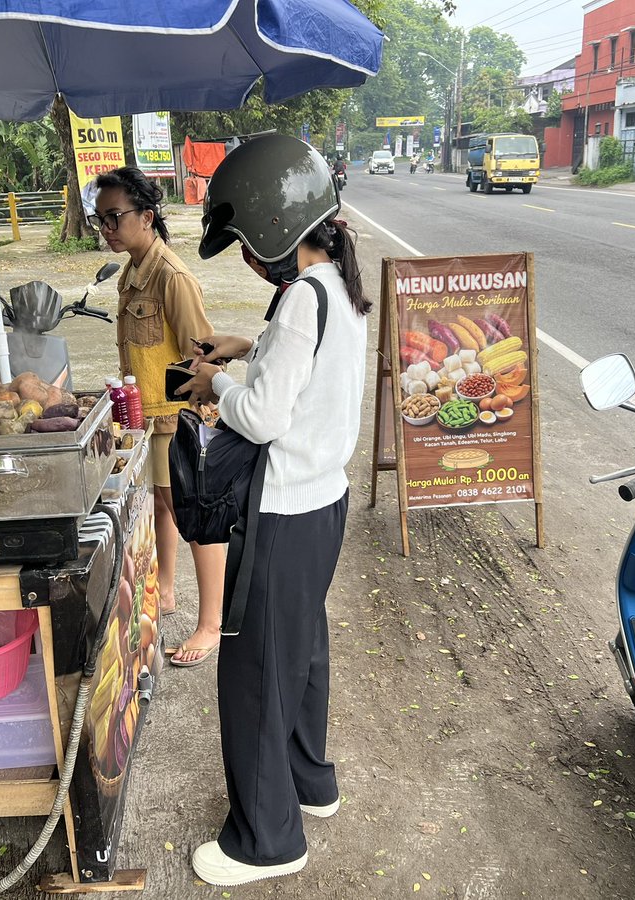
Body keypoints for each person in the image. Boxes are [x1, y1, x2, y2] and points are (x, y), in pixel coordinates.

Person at [176, 134, 371, 887]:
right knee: (302, 652)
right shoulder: (336, 287)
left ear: (272, 227)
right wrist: (244, 347)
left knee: (256, 670)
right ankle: (310, 783)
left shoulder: (298, 301)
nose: (249, 262)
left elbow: (261, 418)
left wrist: (213, 383)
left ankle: (267, 841)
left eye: (247, 247)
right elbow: (303, 372)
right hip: (324, 505)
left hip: (282, 514)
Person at [91, 166, 225, 668]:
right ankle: (164, 590)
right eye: (100, 219)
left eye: (115, 217)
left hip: (175, 420)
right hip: (145, 419)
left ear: (147, 217)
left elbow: (203, 358)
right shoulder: (132, 272)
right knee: (162, 507)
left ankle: (210, 624)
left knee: (193, 517)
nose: (107, 229)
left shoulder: (172, 277)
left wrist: (200, 425)